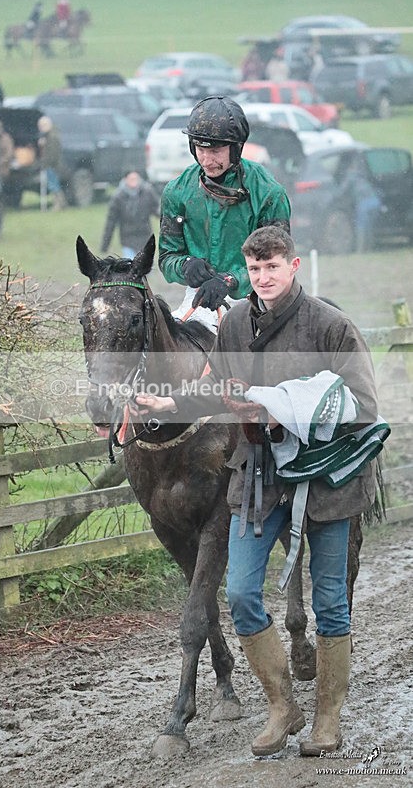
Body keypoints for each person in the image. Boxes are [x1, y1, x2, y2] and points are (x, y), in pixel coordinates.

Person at [134, 225, 389, 759]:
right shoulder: (235, 324)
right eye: (254, 269)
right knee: (242, 594)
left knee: (330, 603)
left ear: (293, 266)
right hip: (258, 476)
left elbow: (364, 404)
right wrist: (168, 405)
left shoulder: (332, 326)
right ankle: (281, 707)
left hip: (327, 481)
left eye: (272, 267)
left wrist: (278, 403)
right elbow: (216, 387)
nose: (263, 277)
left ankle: (326, 719)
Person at [158, 96, 291, 323]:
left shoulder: (269, 193)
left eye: (216, 151)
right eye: (201, 149)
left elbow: (276, 262)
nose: (207, 160)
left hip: (259, 299)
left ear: (236, 148)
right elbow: (167, 257)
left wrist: (229, 280)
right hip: (198, 298)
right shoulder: (176, 191)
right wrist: (186, 266)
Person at [100, 171, 160, 259]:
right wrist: (105, 245)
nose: (134, 181)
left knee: (144, 266)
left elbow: (157, 209)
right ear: (125, 180)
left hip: (145, 237)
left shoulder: (147, 193)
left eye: (136, 179)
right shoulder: (118, 197)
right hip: (127, 239)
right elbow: (111, 222)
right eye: (131, 179)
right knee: (131, 266)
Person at [36, 115, 65, 210]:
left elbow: (52, 153)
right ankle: (59, 203)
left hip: (52, 166)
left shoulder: (52, 137)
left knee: (54, 185)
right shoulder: (48, 136)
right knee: (53, 184)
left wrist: (46, 163)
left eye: (42, 126)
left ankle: (58, 204)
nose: (40, 128)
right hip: (50, 165)